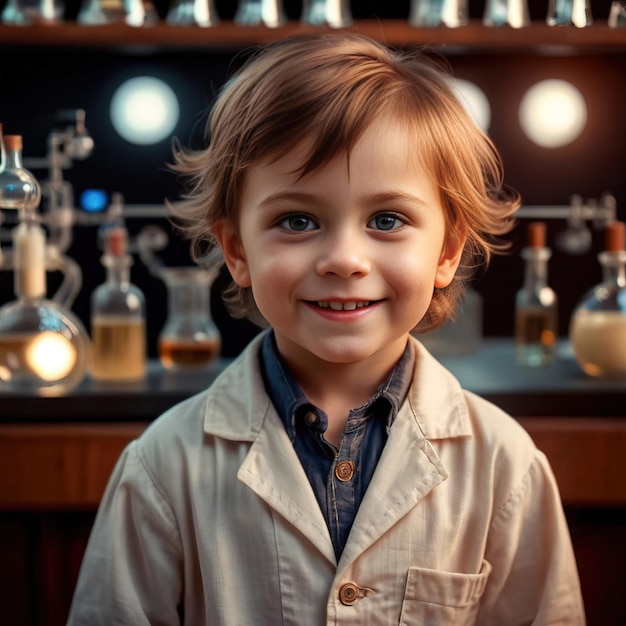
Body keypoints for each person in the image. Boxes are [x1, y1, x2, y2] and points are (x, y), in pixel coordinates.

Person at [67, 34, 585, 625]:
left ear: (446, 250)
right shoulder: (163, 467)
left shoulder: (505, 467)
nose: (344, 259)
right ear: (237, 249)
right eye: (298, 219)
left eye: (386, 219)